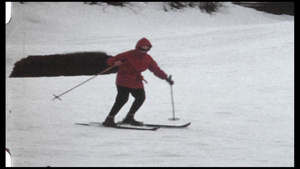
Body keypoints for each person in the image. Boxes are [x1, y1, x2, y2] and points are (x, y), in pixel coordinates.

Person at [102, 37, 174, 126]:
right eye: (142, 48)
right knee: (122, 99)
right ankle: (109, 119)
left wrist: (166, 78)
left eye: (147, 48)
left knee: (140, 98)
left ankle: (129, 117)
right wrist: (114, 63)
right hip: (123, 79)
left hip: (136, 80)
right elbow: (111, 60)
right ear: (138, 47)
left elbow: (155, 69)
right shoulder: (128, 54)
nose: (144, 50)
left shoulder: (148, 58)